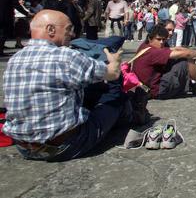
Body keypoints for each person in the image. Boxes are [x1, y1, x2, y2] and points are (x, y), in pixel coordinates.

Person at [2, 10, 126, 161]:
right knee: (113, 98)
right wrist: (115, 60)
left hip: (23, 147)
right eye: (68, 29)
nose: (72, 34)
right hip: (64, 146)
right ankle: (132, 114)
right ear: (51, 29)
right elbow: (112, 73)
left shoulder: (15, 59)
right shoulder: (65, 56)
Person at [132, 24, 196, 100]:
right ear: (150, 38)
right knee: (186, 61)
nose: (161, 42)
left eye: (163, 40)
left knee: (176, 60)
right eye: (158, 39)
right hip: (157, 91)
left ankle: (193, 83)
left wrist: (193, 51)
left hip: (150, 87)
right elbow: (186, 54)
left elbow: (175, 49)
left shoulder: (145, 46)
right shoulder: (153, 51)